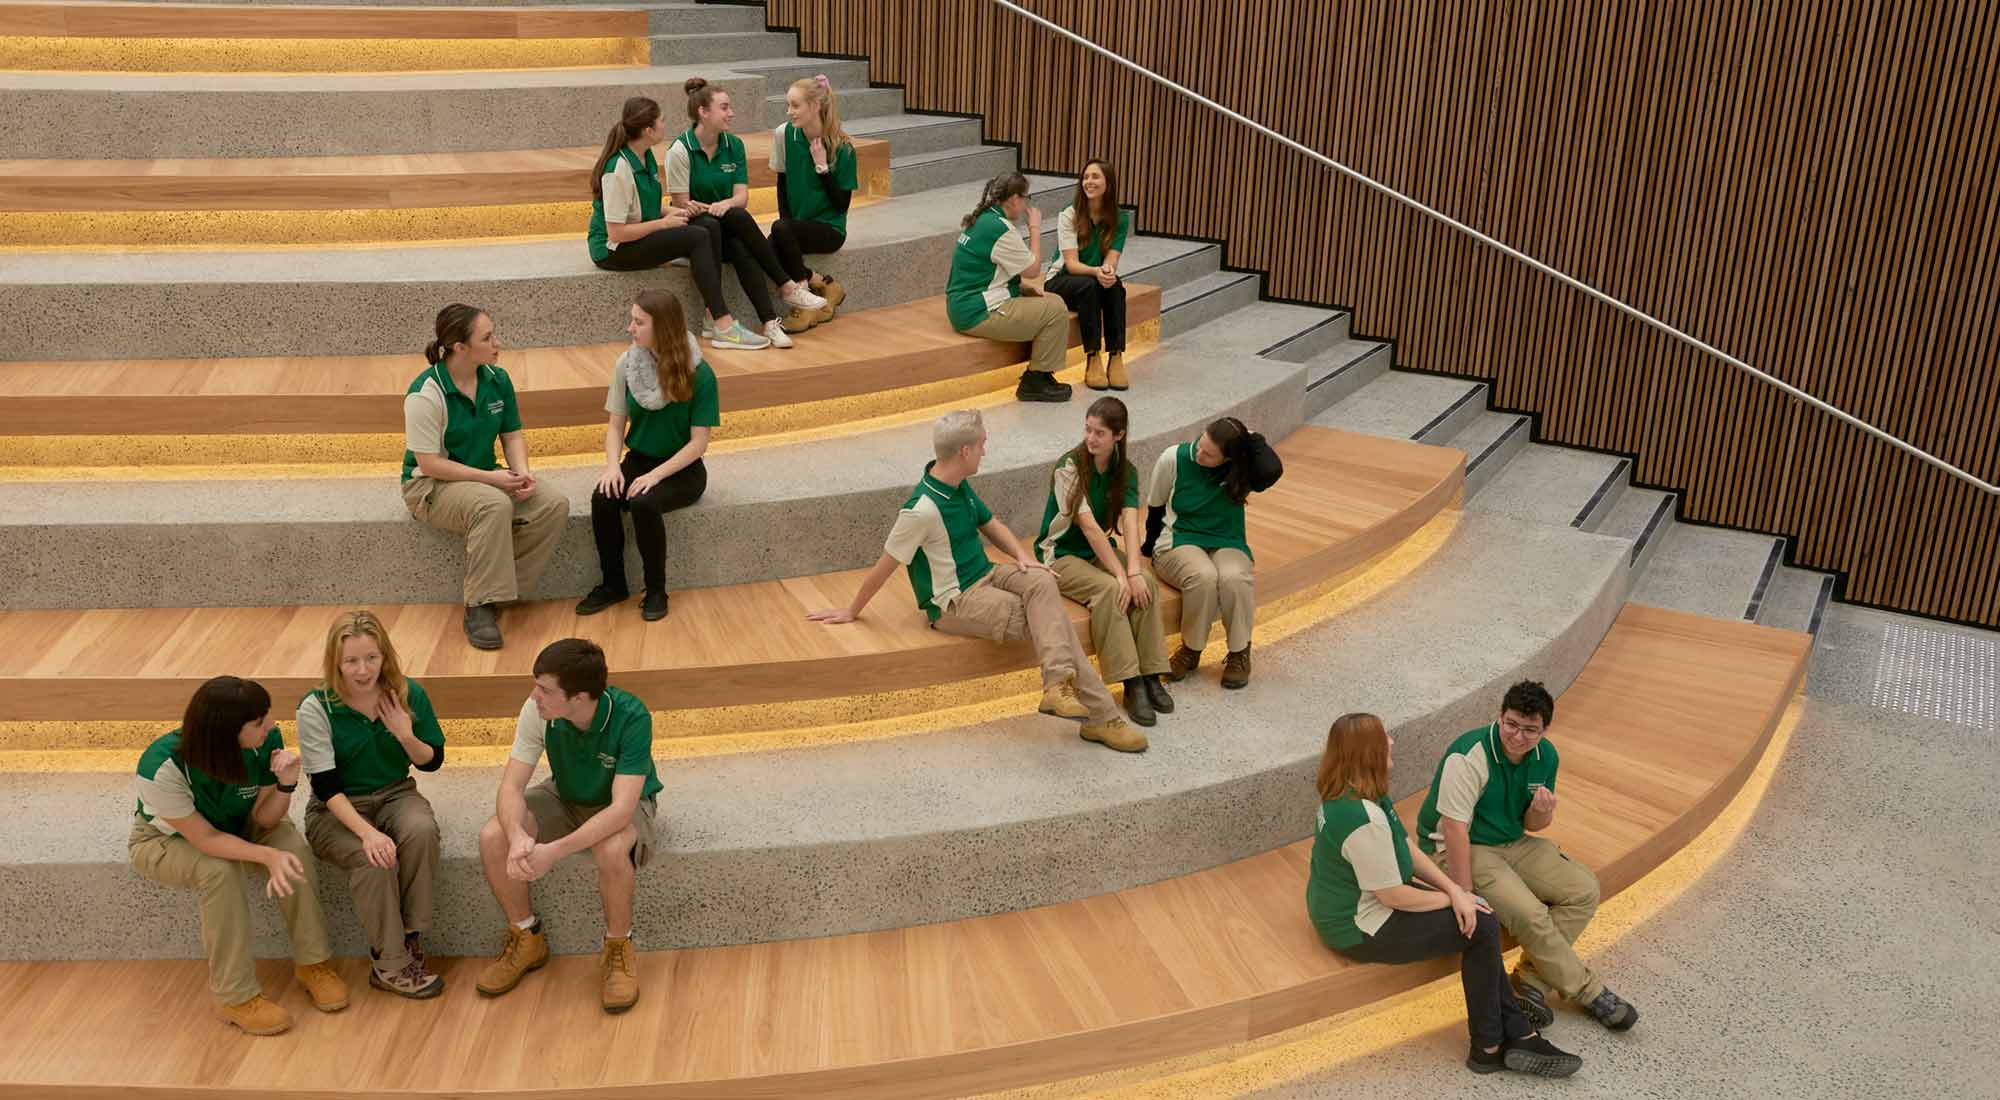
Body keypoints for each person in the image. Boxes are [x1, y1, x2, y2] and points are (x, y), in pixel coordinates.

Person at [808, 409, 1145, 753]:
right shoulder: (920, 510)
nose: (986, 450)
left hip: (987, 574)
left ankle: (1059, 687)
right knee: (1046, 616)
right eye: (982, 445)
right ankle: (1100, 716)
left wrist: (1023, 557)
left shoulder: (956, 484)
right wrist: (851, 610)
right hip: (955, 601)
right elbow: (885, 565)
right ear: (964, 452)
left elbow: (991, 523)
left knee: (1043, 582)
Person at [1308, 713, 1582, 1077]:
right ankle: (1489, 1046)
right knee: (1481, 926)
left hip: (1357, 902)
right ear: (1369, 752)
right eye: (1384, 736)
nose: (1392, 741)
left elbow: (1403, 845)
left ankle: (1514, 1028)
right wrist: (1456, 900)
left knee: (1478, 912)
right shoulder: (1361, 818)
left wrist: (1455, 889)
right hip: (1357, 926)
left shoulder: (1356, 788)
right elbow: (1394, 897)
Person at [129, 676, 348, 1036]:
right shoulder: (160, 765)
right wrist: (266, 856)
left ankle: (314, 964)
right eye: (259, 721)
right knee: (218, 870)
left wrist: (286, 785)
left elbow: (264, 818)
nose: (272, 725)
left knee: (291, 847)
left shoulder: (265, 743)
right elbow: (206, 839)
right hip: (166, 841)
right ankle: (234, 995)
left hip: (242, 823)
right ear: (228, 731)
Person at [1416, 680, 1640, 1031]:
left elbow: (1534, 825)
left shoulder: (1546, 756)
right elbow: (1454, 829)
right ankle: (1588, 990)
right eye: (1512, 725)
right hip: (1458, 845)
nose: (1518, 737)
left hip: (1511, 841)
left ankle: (1531, 982)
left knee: (1584, 890)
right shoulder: (1469, 754)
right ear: (1500, 717)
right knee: (1530, 913)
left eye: (1530, 730)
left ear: (1544, 729)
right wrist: (1462, 893)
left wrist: (1543, 811)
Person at [475, 638, 663, 1014]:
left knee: (610, 849)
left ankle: (618, 949)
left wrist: (552, 852)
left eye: (545, 690)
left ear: (578, 697)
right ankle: (526, 937)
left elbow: (622, 810)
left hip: (618, 804)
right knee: (493, 835)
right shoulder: (537, 712)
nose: (534, 696)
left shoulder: (632, 716)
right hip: (565, 796)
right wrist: (516, 837)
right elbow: (511, 786)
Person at [400, 304, 569, 651]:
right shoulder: (425, 393)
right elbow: (429, 464)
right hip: (430, 486)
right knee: (492, 505)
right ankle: (478, 605)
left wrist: (521, 473)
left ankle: (502, 593)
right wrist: (495, 480)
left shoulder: (497, 379)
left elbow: (512, 434)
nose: (497, 343)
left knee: (553, 503)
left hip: (480, 475)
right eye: (487, 337)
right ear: (460, 348)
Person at [298, 610, 447, 999]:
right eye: (351, 661)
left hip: (396, 791)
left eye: (371, 658)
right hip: (336, 808)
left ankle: (410, 936)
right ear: (336, 661)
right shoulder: (316, 707)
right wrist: (368, 834)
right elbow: (327, 786)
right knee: (374, 859)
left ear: (385, 656)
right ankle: (390, 965)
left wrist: (405, 735)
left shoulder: (408, 693)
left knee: (421, 830)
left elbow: (432, 761)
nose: (363, 670)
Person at [576, 290, 718, 622]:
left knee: (644, 502)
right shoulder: (627, 365)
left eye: (639, 322)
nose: (630, 328)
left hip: (683, 469)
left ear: (663, 327)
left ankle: (655, 591)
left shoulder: (701, 373)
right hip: (638, 459)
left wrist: (656, 477)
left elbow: (698, 443)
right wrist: (612, 468)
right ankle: (613, 584)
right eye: (632, 320)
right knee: (603, 497)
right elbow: (615, 427)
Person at [588, 95, 769, 351]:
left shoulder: (644, 155)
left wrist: (675, 212)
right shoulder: (618, 169)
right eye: (661, 120)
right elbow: (616, 233)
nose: (665, 124)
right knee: (697, 237)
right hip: (612, 250)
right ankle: (724, 325)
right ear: (649, 131)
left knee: (708, 225)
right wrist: (664, 224)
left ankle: (710, 318)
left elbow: (643, 206)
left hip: (635, 234)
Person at [1034, 397, 1173, 726]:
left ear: (1118, 436)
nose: (1090, 438)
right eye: (1088, 429)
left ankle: (1152, 672)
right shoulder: (1068, 466)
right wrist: (1122, 577)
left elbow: (1129, 523)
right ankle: (1131, 682)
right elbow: (1091, 528)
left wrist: (1135, 571)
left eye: (1099, 433)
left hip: (1098, 550)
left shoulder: (1126, 471)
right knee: (1111, 590)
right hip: (1062, 553)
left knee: (1147, 583)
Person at [664, 76, 827, 350]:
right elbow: (683, 204)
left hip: (726, 224)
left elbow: (741, 198)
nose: (732, 113)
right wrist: (718, 207)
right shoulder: (680, 150)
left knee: (739, 237)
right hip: (696, 231)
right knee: (721, 225)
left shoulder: (734, 145)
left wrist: (725, 204)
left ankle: (768, 323)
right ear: (704, 112)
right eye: (725, 107)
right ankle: (787, 287)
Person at [1147, 417, 1256, 688]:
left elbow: (1273, 469)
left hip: (1226, 538)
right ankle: (1191, 649)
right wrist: (1147, 548)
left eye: (1208, 454)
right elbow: (1154, 507)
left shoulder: (1244, 469)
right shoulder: (1173, 458)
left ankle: (1239, 653)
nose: (1199, 454)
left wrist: (1254, 441)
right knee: (1203, 576)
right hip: (1180, 536)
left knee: (1233, 578)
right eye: (1200, 445)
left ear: (1228, 460)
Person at [946, 173, 1073, 403]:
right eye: (1026, 198)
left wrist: (1022, 288)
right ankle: (1035, 381)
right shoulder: (999, 228)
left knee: (1052, 300)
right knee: (1055, 311)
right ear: (1014, 199)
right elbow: (1033, 269)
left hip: (964, 304)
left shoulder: (984, 219)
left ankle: (1042, 374)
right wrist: (1035, 228)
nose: (1026, 204)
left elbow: (987, 272)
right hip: (976, 311)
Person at [767, 74, 855, 334]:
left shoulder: (843, 148)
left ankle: (805, 301)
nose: (789, 112)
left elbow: (841, 205)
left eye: (795, 105)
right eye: (788, 105)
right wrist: (785, 226)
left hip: (829, 229)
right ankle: (824, 284)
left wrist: (822, 167)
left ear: (815, 106)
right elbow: (782, 183)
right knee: (763, 248)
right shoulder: (784, 134)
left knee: (780, 231)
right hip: (795, 226)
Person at [1043, 160, 1132, 392]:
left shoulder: (1120, 217)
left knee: (1115, 286)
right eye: (1085, 177)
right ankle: (1093, 358)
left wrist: (1108, 271)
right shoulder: (1069, 214)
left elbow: (1112, 258)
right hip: (1061, 281)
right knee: (1088, 286)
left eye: (1095, 177)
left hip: (1093, 280)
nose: (1088, 182)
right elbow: (1071, 265)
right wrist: (1096, 272)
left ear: (1108, 183)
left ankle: (1116, 356)